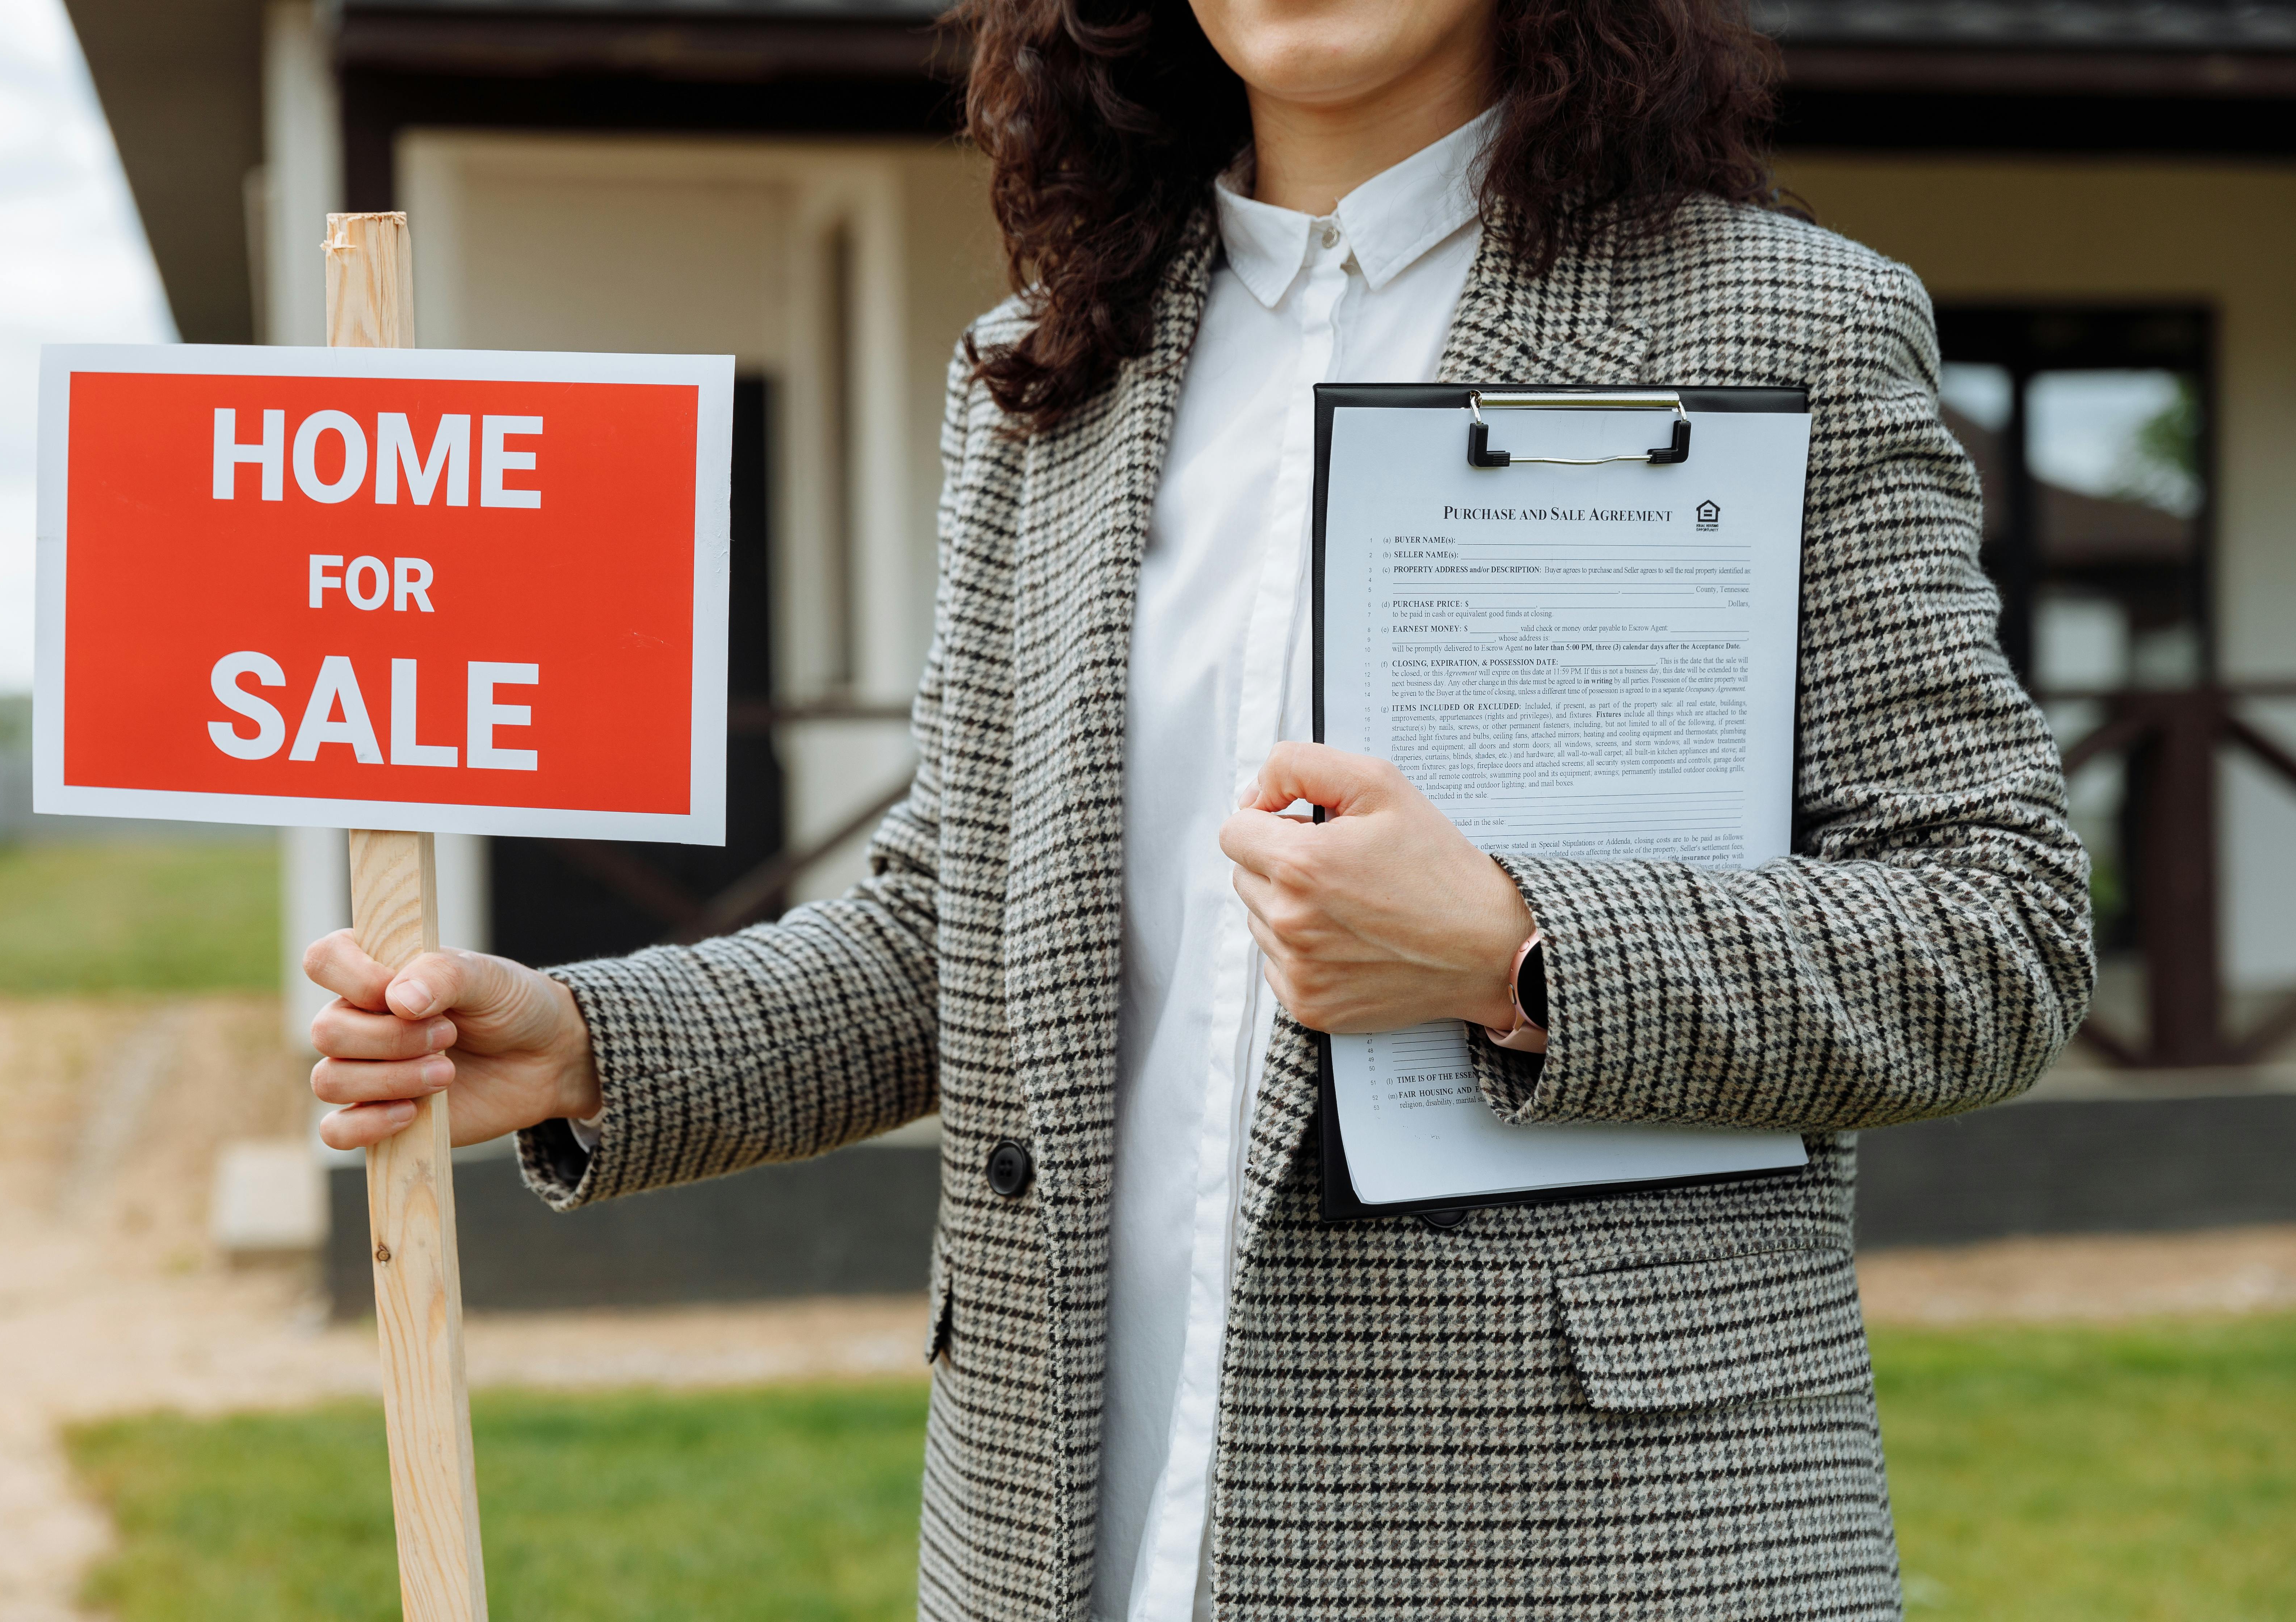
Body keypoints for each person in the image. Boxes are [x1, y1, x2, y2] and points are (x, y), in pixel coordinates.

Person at [301, 0, 2094, 1615]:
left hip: (1593, 1531)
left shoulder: (1784, 320)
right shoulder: (1043, 371)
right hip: (1063, 1513)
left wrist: (1515, 948)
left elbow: (1995, 923)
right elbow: (961, 928)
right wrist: (585, 1039)